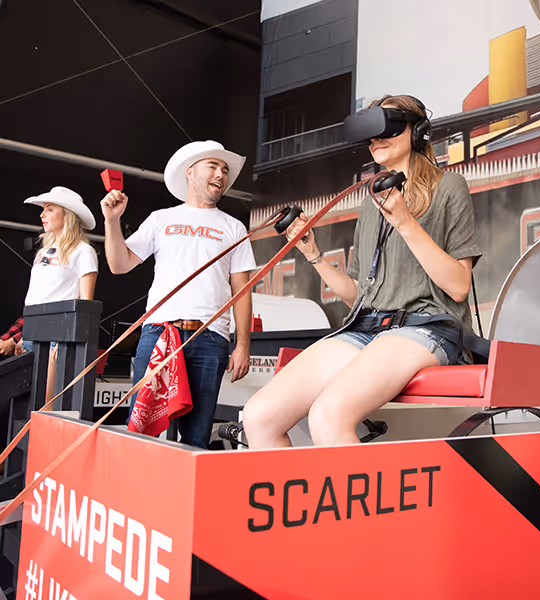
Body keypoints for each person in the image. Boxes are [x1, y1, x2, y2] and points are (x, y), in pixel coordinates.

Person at [243, 94, 480, 448]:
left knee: (328, 416)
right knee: (258, 416)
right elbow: (359, 295)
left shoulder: (448, 187)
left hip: (427, 327)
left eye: (387, 130)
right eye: (370, 136)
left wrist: (406, 223)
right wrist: (313, 254)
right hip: (367, 328)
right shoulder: (371, 204)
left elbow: (459, 287)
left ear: (417, 133)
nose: (376, 141)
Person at [101, 140, 256, 449]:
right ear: (190, 172)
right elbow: (119, 265)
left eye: (225, 170)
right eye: (213, 166)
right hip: (159, 332)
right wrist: (112, 220)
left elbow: (241, 290)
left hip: (210, 336)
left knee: (197, 437)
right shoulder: (161, 219)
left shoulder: (234, 227)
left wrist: (243, 345)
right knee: (140, 430)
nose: (220, 174)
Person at [19, 187, 99, 399]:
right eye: (43, 209)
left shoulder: (83, 251)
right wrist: (23, 335)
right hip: (32, 333)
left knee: (45, 404)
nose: (42, 214)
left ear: (67, 215)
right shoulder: (43, 252)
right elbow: (35, 296)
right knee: (25, 402)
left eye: (50, 209)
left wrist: (67, 342)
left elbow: (85, 305)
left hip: (58, 338)